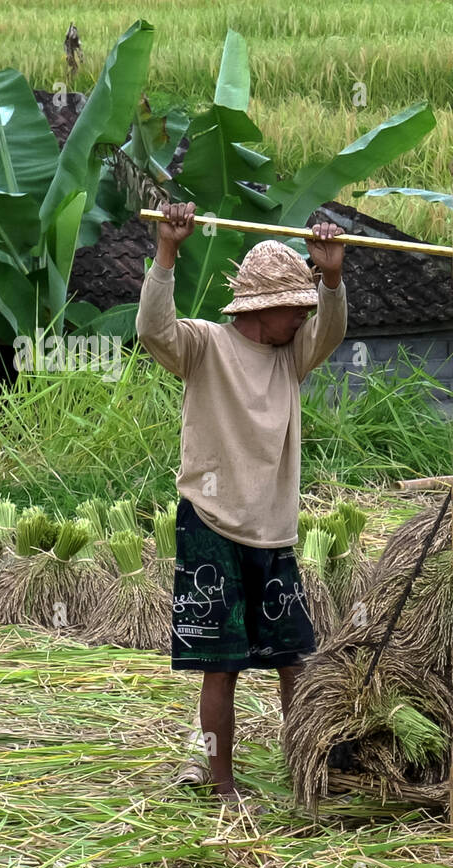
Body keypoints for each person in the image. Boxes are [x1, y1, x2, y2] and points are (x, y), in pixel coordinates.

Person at [137, 200, 348, 805]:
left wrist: (330, 274)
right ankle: (222, 782)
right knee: (221, 663)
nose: (304, 315)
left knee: (293, 658)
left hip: (273, 529)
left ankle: (307, 771)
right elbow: (154, 329)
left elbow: (330, 330)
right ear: (265, 310)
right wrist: (167, 252)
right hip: (212, 523)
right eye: (298, 306)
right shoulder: (204, 348)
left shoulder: (292, 358)